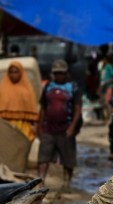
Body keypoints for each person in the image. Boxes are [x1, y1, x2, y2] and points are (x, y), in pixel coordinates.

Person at [37, 59, 82, 189]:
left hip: (65, 128)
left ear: (66, 73)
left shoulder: (72, 87)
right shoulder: (48, 86)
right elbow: (43, 107)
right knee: (43, 157)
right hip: (48, 128)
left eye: (61, 73)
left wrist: (72, 126)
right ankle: (41, 181)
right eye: (56, 73)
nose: (59, 76)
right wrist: (40, 125)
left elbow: (77, 108)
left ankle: (66, 183)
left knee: (68, 159)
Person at [0, 61, 39, 140]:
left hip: (23, 126)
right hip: (6, 125)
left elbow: (33, 112)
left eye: (16, 72)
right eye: (11, 72)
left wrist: (35, 126)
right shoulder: (2, 89)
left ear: (21, 72)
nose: (13, 75)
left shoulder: (27, 90)